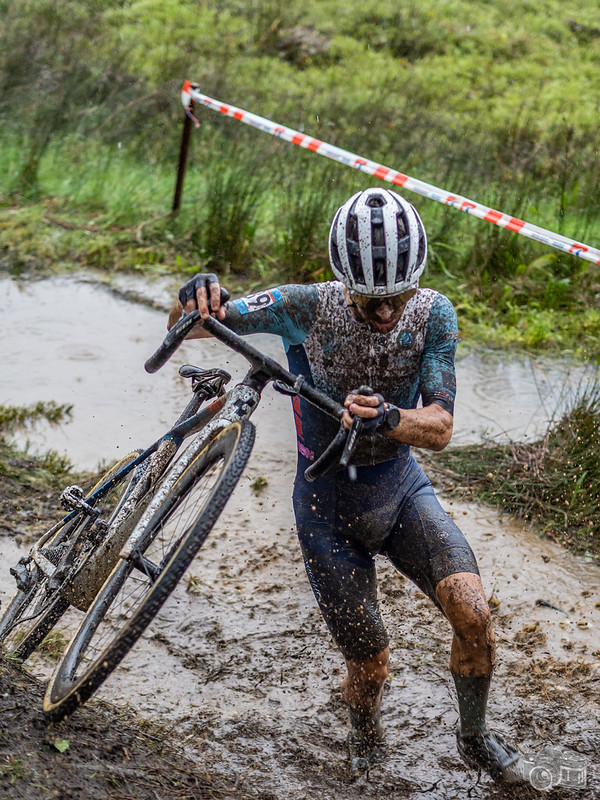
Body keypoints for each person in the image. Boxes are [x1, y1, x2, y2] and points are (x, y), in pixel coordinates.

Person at [168, 187, 524, 783]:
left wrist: (389, 418)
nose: (385, 313)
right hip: (327, 509)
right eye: (368, 300)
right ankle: (364, 733)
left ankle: (475, 735)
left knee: (474, 615)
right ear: (342, 281)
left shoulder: (434, 314)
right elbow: (190, 329)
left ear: (417, 280)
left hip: (398, 490)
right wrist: (192, 295)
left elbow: (439, 427)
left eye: (395, 298)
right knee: (372, 665)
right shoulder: (305, 306)